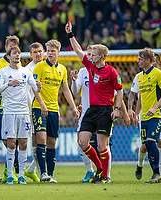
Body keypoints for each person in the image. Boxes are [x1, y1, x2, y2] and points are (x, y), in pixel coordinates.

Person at [65, 22, 123, 183]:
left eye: (94, 55)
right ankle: (99, 168)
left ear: (102, 57)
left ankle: (105, 176)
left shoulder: (111, 71)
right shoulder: (90, 67)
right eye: (90, 55)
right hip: (90, 110)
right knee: (82, 142)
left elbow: (120, 90)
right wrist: (70, 34)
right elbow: (77, 50)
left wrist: (117, 109)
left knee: (101, 144)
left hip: (105, 110)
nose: (90, 57)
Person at [32, 39, 80, 183]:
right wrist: (42, 104)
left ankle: (50, 175)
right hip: (39, 108)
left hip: (54, 109)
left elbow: (65, 90)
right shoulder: (39, 67)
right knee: (41, 139)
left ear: (58, 52)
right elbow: (35, 88)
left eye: (53, 51)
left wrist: (73, 107)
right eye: (49, 50)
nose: (50, 53)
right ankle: (43, 173)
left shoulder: (62, 69)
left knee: (52, 143)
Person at [0, 46, 42, 184]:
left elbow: (35, 87)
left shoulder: (26, 71)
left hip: (24, 113)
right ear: (8, 56)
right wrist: (8, 84)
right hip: (9, 112)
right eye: (14, 53)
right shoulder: (3, 72)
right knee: (11, 144)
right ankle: (10, 175)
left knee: (24, 143)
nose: (17, 56)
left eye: (19, 53)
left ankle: (21, 175)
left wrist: (39, 86)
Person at [128, 52, 161, 182]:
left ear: (148, 60)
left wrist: (155, 108)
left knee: (155, 141)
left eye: (140, 59)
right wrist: (132, 112)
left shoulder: (159, 74)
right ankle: (142, 166)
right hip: (144, 116)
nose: (137, 61)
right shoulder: (138, 77)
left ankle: (158, 173)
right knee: (146, 145)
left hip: (157, 114)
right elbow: (134, 95)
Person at [0, 35, 20, 182]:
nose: (12, 47)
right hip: (1, 107)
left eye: (15, 45)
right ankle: (5, 171)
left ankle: (13, 171)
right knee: (6, 141)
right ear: (6, 48)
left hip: (18, 107)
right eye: (10, 45)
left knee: (15, 141)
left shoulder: (21, 66)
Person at [24, 42, 45, 182]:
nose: (38, 54)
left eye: (40, 51)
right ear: (31, 54)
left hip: (48, 107)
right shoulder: (27, 70)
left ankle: (32, 169)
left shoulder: (48, 66)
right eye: (35, 52)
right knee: (37, 140)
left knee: (46, 140)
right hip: (32, 108)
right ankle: (32, 169)